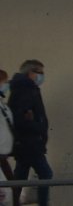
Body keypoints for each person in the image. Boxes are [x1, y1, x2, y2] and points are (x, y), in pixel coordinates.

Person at [8, 60, 53, 206]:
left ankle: (14, 201)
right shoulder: (26, 90)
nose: (42, 76)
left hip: (25, 142)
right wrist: (37, 126)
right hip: (30, 142)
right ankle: (42, 203)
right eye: (39, 72)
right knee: (45, 173)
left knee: (20, 175)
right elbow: (21, 118)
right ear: (31, 72)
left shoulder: (24, 88)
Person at [0, 69, 19, 206]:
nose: (7, 85)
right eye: (5, 82)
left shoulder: (2, 105)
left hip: (3, 155)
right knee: (7, 193)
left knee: (13, 189)